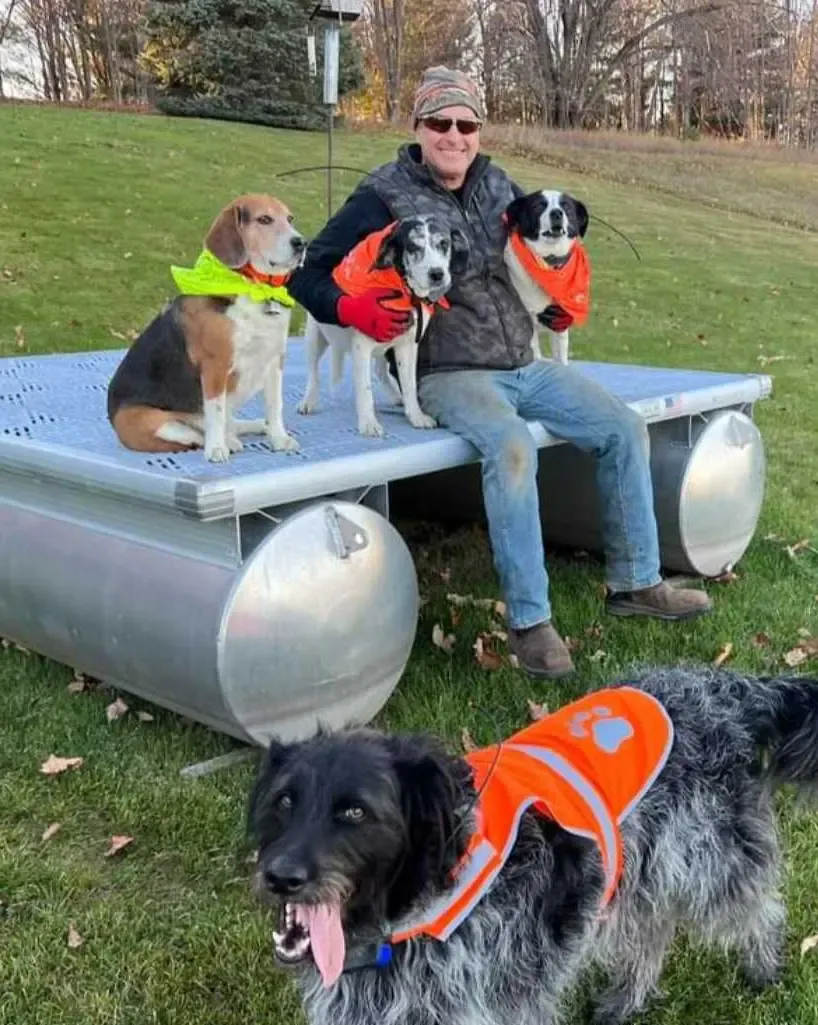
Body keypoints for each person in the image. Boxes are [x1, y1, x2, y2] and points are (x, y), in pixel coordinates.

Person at [288, 65, 712, 680]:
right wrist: (347, 307)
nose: (454, 135)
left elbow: (545, 255)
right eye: (440, 122)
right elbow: (307, 271)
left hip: (524, 361)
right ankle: (530, 622)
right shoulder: (382, 194)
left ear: (478, 131)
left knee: (622, 426)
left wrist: (560, 294)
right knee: (512, 447)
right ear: (418, 127)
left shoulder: (500, 187)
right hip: (447, 371)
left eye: (466, 124)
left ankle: (636, 582)